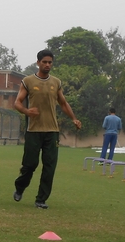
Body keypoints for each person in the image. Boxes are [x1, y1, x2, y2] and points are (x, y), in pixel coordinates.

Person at [13, 49, 82, 209]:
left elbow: (63, 103)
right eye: (44, 62)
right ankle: (20, 187)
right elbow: (17, 102)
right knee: (30, 165)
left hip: (52, 132)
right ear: (38, 63)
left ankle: (41, 199)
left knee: (50, 166)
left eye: (50, 62)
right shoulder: (28, 81)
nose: (47, 65)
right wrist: (27, 111)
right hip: (33, 131)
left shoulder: (56, 82)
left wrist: (74, 118)